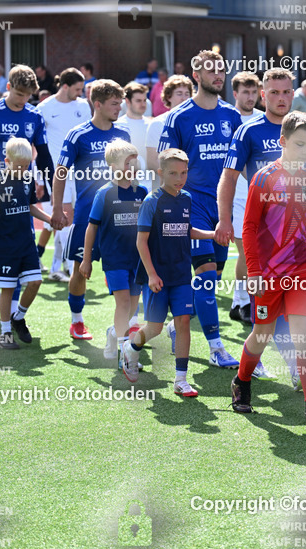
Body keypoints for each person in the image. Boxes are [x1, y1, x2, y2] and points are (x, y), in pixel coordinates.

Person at [229, 112, 306, 427]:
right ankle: (242, 381)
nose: (305, 152)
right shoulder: (264, 177)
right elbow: (250, 227)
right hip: (267, 274)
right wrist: (253, 272)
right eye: (299, 145)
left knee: (304, 336)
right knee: (262, 334)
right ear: (283, 141)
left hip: (301, 271)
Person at [157, 50, 243, 369]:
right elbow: (164, 164)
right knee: (206, 278)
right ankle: (217, 347)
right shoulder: (180, 116)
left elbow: (240, 165)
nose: (218, 76)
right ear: (197, 76)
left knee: (212, 279)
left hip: (222, 208)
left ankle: (172, 324)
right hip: (191, 208)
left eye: (221, 70)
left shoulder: (232, 116)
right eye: (211, 71)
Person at [121, 148, 218, 396]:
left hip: (182, 276)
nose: (179, 178)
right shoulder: (151, 202)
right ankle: (131, 348)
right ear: (160, 172)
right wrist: (152, 275)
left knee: (183, 322)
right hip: (157, 277)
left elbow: (187, 230)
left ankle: (181, 379)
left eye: (184, 172)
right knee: (154, 328)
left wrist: (212, 234)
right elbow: (141, 242)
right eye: (173, 173)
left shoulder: (186, 198)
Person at [0, 65, 53, 327]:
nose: (22, 100)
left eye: (27, 95)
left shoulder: (34, 116)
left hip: (21, 189)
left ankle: (12, 308)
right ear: (8, 88)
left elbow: (44, 154)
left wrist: (51, 190)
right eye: (18, 93)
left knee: (19, 242)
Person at [51, 79, 130, 341]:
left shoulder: (124, 135)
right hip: (87, 216)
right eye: (114, 103)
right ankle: (77, 321)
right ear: (97, 104)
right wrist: (57, 207)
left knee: (127, 268)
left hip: (119, 217)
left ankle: (127, 326)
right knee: (80, 270)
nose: (119, 108)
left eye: (120, 103)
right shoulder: (78, 135)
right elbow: (60, 172)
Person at [0, 138, 54, 349]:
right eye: (18, 165)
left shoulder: (28, 180)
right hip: (4, 247)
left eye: (26, 165)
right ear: (6, 161)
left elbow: (30, 206)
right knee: (8, 289)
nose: (22, 169)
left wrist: (49, 219)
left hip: (27, 244)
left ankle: (18, 317)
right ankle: (5, 334)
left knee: (36, 282)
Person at [79, 141, 148, 370]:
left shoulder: (143, 192)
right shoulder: (104, 193)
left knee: (133, 306)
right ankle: (124, 354)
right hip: (114, 259)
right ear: (113, 166)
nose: (133, 165)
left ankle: (112, 333)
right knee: (123, 303)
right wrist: (86, 259)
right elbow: (92, 227)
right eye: (128, 161)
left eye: (135, 160)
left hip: (137, 260)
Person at [36, 67, 91, 283]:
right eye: (77, 89)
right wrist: (40, 178)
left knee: (73, 219)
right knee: (64, 217)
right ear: (65, 86)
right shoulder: (44, 108)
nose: (80, 93)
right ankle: (69, 266)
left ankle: (56, 267)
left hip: (81, 171)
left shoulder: (83, 107)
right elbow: (38, 145)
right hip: (57, 172)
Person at [222, 70, 264, 327]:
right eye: (244, 92)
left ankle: (239, 303)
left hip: (264, 196)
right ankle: (245, 302)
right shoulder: (227, 118)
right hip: (237, 194)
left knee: (257, 252)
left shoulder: (264, 118)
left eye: (253, 92)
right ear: (235, 94)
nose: (250, 97)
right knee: (246, 251)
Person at [115, 82, 152, 192]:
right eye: (138, 101)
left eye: (144, 100)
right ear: (127, 101)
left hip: (150, 186)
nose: (143, 104)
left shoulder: (152, 124)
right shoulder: (117, 126)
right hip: (125, 186)